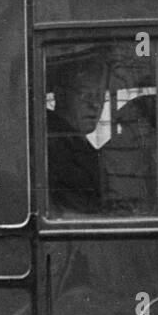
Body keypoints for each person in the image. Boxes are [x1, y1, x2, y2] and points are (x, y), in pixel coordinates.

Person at [46, 55, 108, 215]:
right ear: (60, 95)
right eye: (86, 95)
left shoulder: (76, 143)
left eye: (100, 96)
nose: (95, 105)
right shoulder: (52, 144)